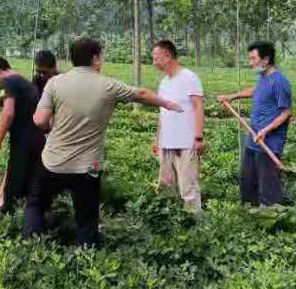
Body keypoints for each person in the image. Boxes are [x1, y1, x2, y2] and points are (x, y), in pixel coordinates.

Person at [25, 37, 183, 245]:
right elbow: (142, 94)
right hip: (90, 166)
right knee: (87, 215)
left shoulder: (55, 83)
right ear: (95, 59)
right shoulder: (109, 86)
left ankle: (32, 243)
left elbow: (39, 120)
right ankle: (87, 256)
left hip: (53, 162)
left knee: (36, 203)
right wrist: (168, 104)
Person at [218, 42, 292, 207]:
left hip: (269, 143)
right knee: (247, 180)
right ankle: (250, 215)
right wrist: (232, 96)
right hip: (254, 137)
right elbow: (256, 90)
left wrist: (266, 130)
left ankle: (270, 219)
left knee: (268, 187)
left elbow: (286, 113)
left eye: (253, 58)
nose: (250, 62)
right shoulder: (264, 77)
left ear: (265, 60)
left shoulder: (280, 81)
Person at [0, 56, 45, 210]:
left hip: (23, 137)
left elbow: (8, 113)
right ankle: (30, 209)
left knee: (16, 176)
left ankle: (9, 211)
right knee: (31, 176)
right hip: (37, 136)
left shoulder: (8, 83)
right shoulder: (25, 81)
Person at [151, 39, 204, 214]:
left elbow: (198, 107)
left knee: (188, 186)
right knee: (166, 185)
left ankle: (195, 225)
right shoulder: (164, 82)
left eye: (156, 58)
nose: (154, 62)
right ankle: (172, 222)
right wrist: (157, 139)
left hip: (185, 142)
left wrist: (198, 137)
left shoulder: (189, 77)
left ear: (168, 55)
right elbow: (162, 114)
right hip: (166, 143)